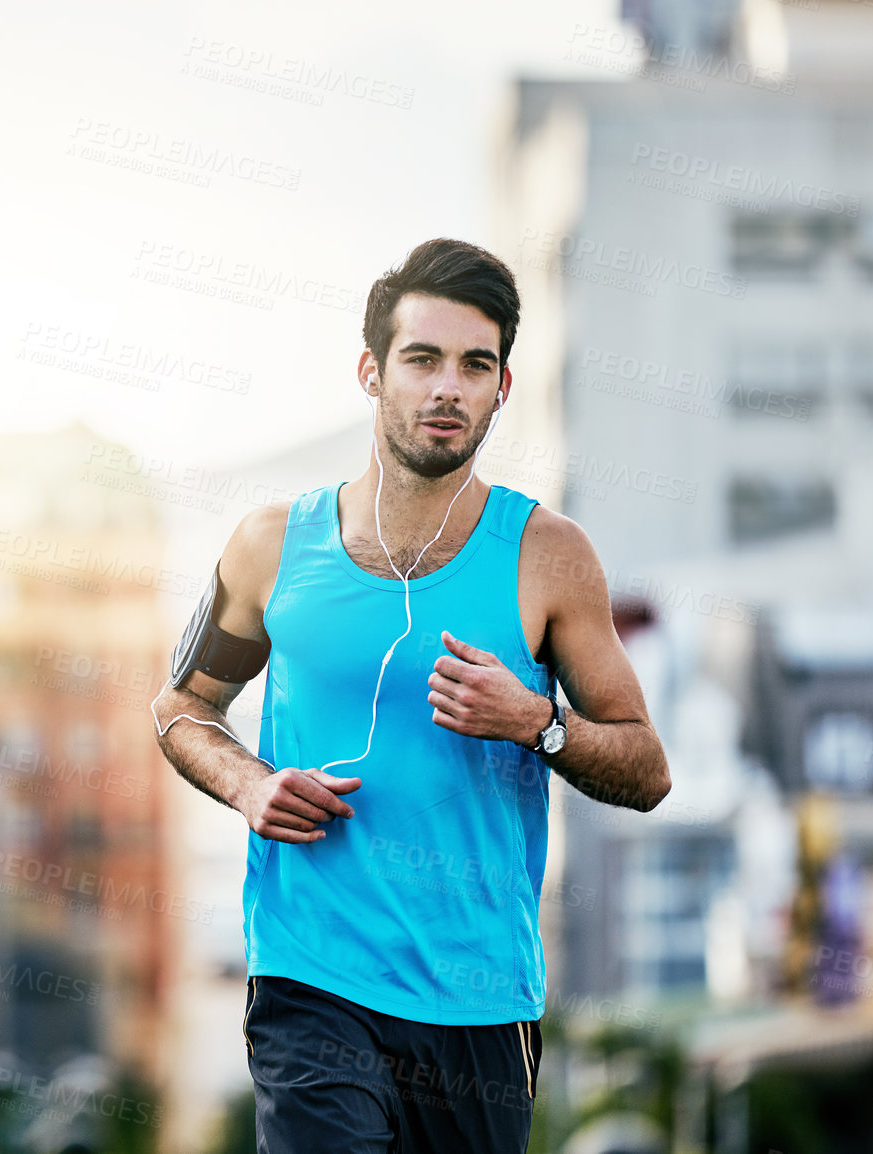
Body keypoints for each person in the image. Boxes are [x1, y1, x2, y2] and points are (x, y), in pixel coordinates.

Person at [151, 237, 672, 1152]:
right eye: (423, 359)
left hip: (478, 1000)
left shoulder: (549, 556)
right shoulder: (273, 545)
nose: (449, 389)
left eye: (476, 366)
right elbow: (183, 706)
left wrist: (536, 723)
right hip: (312, 979)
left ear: (503, 388)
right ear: (371, 371)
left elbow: (647, 767)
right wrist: (248, 785)